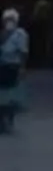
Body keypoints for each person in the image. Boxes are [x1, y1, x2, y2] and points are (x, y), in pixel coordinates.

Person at [0, 8, 27, 136]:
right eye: (6, 19)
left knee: (10, 94)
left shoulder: (20, 34)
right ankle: (2, 121)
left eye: (11, 19)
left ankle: (8, 120)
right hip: (2, 65)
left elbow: (23, 52)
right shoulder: (3, 33)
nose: (8, 22)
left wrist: (22, 68)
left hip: (12, 66)